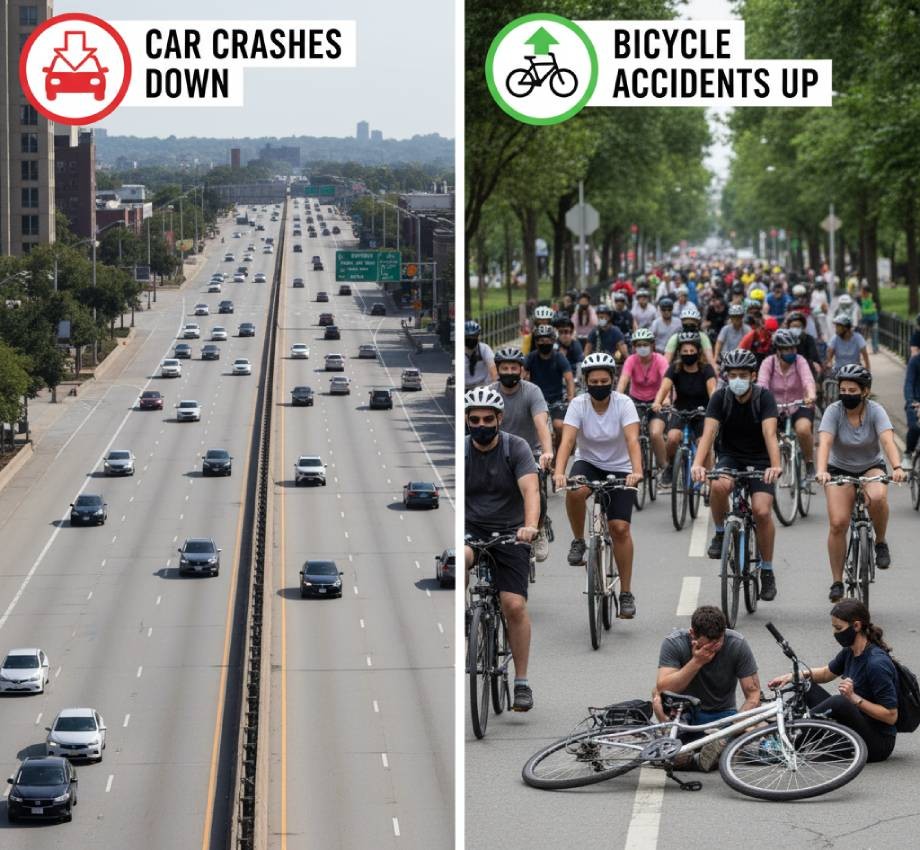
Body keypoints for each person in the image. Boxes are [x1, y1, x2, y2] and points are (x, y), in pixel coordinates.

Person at [464, 387, 539, 712]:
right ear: (467, 420)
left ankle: (521, 682)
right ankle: (466, 617)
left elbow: (531, 490)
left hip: (511, 532)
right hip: (471, 531)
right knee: (460, 558)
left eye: (487, 419)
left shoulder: (515, 447)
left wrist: (530, 526)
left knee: (513, 605)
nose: (481, 425)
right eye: (474, 420)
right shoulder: (463, 451)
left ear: (499, 419)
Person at [553, 353, 643, 619]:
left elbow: (632, 440)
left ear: (612, 381)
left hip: (621, 467)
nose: (599, 386)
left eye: (604, 381)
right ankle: (579, 541)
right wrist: (559, 473)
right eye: (594, 382)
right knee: (575, 490)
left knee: (619, 528)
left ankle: (626, 593)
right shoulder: (578, 405)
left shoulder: (624, 404)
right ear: (586, 382)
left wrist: (637, 471)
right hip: (588, 463)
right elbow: (567, 442)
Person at [692, 348, 782, 601]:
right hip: (730, 456)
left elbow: (770, 434)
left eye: (743, 375)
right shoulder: (720, 398)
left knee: (761, 511)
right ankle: (721, 532)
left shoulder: (764, 398)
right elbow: (708, 434)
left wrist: (775, 465)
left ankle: (767, 570)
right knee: (718, 486)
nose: (737, 380)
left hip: (761, 459)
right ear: (726, 377)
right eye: (732, 375)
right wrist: (698, 464)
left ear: (753, 375)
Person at [815, 364, 906, 601]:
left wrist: (897, 467)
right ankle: (837, 582)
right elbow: (825, 443)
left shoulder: (876, 411)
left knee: (877, 497)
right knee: (838, 523)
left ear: (864, 391)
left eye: (852, 390)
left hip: (870, 466)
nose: (846, 394)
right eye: (843, 390)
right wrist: (822, 471)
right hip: (838, 468)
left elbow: (887, 441)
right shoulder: (833, 411)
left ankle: (880, 542)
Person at [768, 599, 898, 763]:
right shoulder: (850, 652)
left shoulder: (876, 664)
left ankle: (788, 742)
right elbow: (825, 674)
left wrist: (854, 698)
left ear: (856, 626)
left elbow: (891, 716)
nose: (834, 633)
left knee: (840, 702)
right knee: (806, 686)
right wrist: (792, 676)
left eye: (838, 628)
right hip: (854, 726)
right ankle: (789, 730)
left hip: (877, 743)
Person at [654, 605, 761, 771]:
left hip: (721, 715)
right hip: (683, 713)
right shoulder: (674, 643)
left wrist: (731, 730)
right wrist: (697, 662)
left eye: (717, 642)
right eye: (707, 644)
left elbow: (753, 695)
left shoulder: (737, 644)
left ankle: (705, 754)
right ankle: (686, 753)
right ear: (692, 634)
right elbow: (664, 689)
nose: (713, 648)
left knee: (753, 725)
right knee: (656, 696)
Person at [491, 346, 554, 563]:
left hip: (530, 452)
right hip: (499, 451)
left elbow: (541, 424)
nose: (509, 372)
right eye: (505, 368)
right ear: (498, 370)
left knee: (537, 490)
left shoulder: (532, 392)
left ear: (522, 370)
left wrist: (547, 452)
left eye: (513, 368)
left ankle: (539, 527)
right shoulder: (490, 393)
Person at [652, 332, 717, 485]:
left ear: (698, 352)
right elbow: (664, 388)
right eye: (685, 351)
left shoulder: (706, 369)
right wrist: (657, 402)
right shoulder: (675, 368)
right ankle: (670, 467)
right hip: (680, 411)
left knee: (704, 445)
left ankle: (709, 483)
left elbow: (713, 391)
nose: (688, 354)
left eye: (691, 351)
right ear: (679, 353)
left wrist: (714, 409)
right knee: (672, 438)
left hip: (702, 412)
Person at [759, 328, 817, 474]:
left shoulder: (800, 361)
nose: (791, 352)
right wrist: (762, 400)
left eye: (793, 348)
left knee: (803, 429)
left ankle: (809, 462)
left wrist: (810, 395)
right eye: (786, 349)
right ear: (778, 350)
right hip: (775, 408)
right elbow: (762, 385)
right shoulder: (768, 363)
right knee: (768, 433)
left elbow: (808, 380)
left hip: (799, 405)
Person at [617, 327, 669, 476]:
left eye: (645, 344)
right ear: (634, 347)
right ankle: (634, 465)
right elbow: (623, 381)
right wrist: (617, 398)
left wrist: (665, 400)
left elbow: (666, 382)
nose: (642, 348)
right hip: (636, 401)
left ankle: (664, 467)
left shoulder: (660, 360)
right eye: (639, 345)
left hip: (657, 401)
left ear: (652, 345)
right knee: (631, 434)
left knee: (655, 433)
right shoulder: (631, 360)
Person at [524, 324, 575, 447]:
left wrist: (571, 399)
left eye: (547, 340)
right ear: (536, 342)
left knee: (559, 426)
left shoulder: (559, 357)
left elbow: (569, 379)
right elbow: (522, 375)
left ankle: (558, 452)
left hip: (557, 400)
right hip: (537, 401)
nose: (544, 343)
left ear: (553, 341)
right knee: (540, 428)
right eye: (541, 340)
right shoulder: (531, 357)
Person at [663, 304, 718, 372]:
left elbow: (710, 359)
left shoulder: (703, 337)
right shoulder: (675, 337)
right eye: (686, 321)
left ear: (697, 322)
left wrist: (714, 370)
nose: (689, 324)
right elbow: (666, 361)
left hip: (699, 369)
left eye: (692, 321)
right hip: (679, 368)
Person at [464, 320, 497, 388]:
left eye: (474, 336)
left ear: (478, 337)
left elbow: (493, 370)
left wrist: (495, 388)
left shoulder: (484, 349)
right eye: (468, 337)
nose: (471, 339)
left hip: (483, 387)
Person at [904, 352, 920, 461]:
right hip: (915, 402)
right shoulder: (915, 361)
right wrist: (911, 401)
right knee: (915, 427)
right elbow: (909, 384)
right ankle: (908, 453)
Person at [858, 283, 880, 354]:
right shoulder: (859, 298)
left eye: (863, 291)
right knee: (863, 335)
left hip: (873, 318)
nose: (862, 293)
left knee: (874, 334)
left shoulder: (872, 297)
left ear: (867, 292)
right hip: (864, 319)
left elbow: (877, 306)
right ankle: (862, 349)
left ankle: (875, 348)